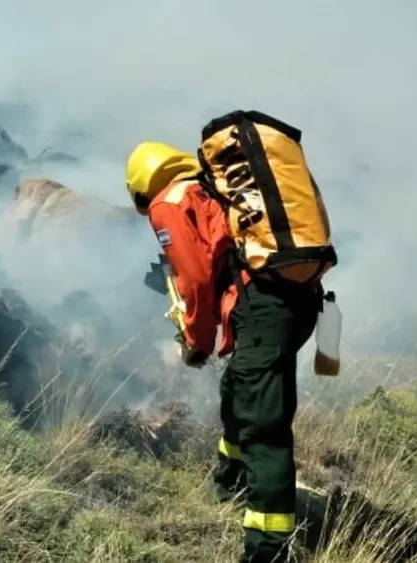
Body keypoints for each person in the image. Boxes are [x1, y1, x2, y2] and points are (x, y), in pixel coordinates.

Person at [125, 141, 321, 563]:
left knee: (264, 432)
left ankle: (266, 550)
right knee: (237, 391)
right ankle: (229, 485)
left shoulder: (169, 201)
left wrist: (197, 343)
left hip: (266, 312)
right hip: (297, 302)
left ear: (143, 191)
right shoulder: (212, 188)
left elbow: (195, 280)